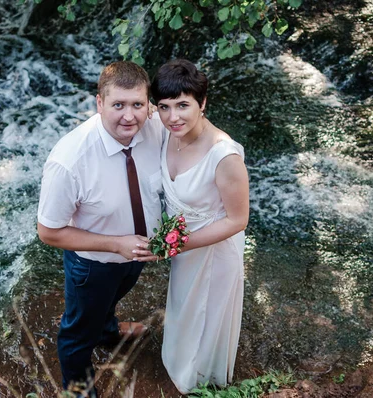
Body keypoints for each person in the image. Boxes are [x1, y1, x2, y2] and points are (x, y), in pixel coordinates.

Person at [36, 61, 165, 396]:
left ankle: (108, 330)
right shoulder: (68, 161)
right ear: (99, 103)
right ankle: (78, 390)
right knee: (77, 334)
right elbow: (48, 232)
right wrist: (116, 245)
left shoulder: (154, 125)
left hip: (136, 255)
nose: (129, 117)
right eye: (118, 105)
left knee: (110, 301)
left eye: (137, 104)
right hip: (93, 264)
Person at [149, 59, 250, 393]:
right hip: (182, 247)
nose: (173, 117)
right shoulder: (166, 131)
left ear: (202, 103)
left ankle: (200, 384)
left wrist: (175, 244)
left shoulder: (225, 157)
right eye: (164, 107)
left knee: (205, 319)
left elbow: (238, 220)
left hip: (213, 251)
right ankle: (177, 367)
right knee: (183, 310)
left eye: (183, 105)